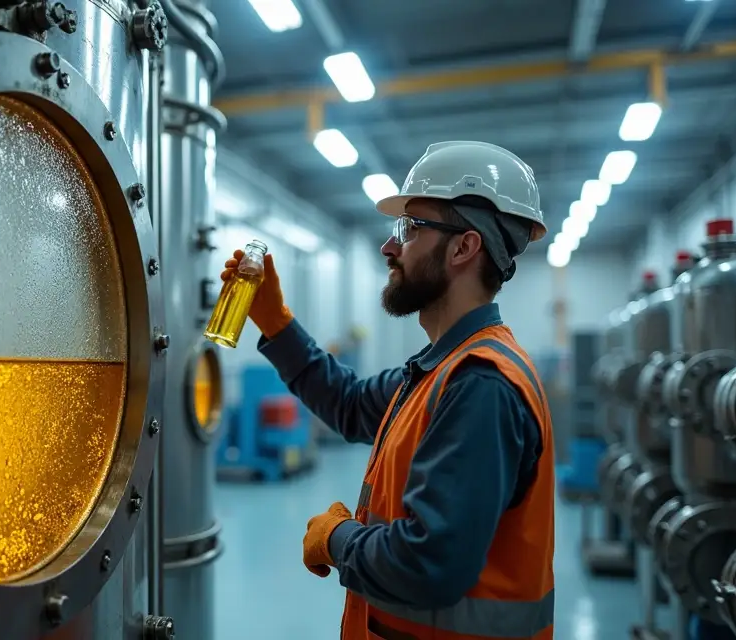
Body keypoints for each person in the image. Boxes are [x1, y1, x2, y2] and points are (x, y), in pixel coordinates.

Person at [222, 141, 555, 639]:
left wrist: (338, 538)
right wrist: (275, 321)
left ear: (465, 247)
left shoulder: (481, 385)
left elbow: (430, 564)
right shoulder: (437, 372)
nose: (389, 246)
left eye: (412, 228)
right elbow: (350, 403)